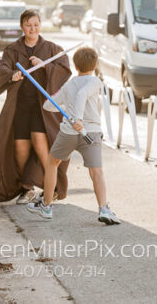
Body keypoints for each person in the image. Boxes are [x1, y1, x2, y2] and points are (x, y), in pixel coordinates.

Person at [0, 9, 71, 204]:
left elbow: (64, 69)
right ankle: (27, 188)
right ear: (22, 27)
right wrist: (11, 75)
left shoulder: (51, 49)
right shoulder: (13, 50)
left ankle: (53, 187)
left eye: (36, 24)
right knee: (20, 147)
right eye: (29, 25)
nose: (33, 28)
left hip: (43, 108)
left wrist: (45, 66)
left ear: (40, 25)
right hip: (20, 107)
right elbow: (3, 67)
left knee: (41, 146)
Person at [27, 46, 120, 225]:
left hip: (69, 132)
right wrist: (77, 118)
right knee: (96, 171)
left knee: (52, 164)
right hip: (89, 132)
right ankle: (104, 208)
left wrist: (73, 116)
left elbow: (49, 105)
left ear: (76, 67)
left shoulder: (70, 83)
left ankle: (46, 206)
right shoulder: (95, 81)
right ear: (95, 65)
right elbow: (74, 97)